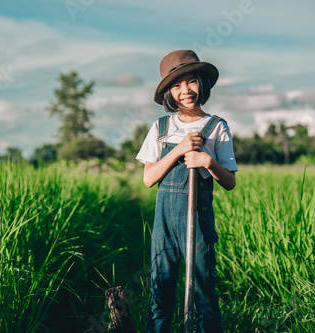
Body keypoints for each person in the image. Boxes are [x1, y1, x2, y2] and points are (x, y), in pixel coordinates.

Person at [135, 50, 238, 332]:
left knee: (204, 296)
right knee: (161, 292)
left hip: (199, 221)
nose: (185, 91)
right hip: (165, 223)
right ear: (169, 92)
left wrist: (208, 161)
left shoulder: (217, 127)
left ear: (201, 83)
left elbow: (229, 181)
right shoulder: (161, 127)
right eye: (176, 85)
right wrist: (179, 150)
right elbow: (148, 178)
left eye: (191, 81)